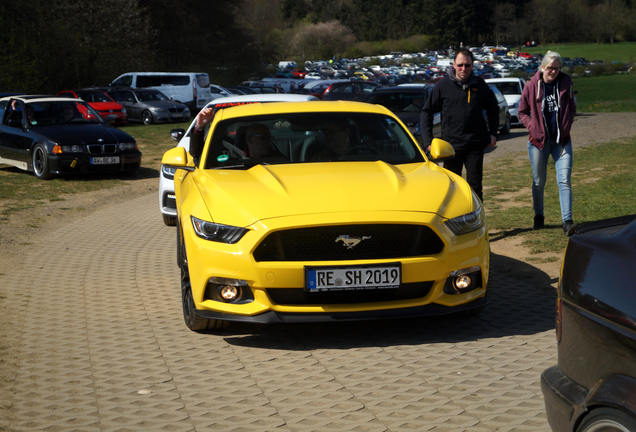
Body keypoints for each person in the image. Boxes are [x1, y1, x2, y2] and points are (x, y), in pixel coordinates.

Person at [421, 47, 499, 201]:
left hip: (474, 144)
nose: (464, 68)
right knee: (452, 189)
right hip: (450, 146)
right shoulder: (442, 86)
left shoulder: (480, 85)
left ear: (472, 65)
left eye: (467, 65)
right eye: (460, 65)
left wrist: (493, 133)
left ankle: (476, 223)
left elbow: (493, 108)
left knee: (475, 188)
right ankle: (454, 224)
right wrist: (428, 141)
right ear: (454, 65)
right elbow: (426, 111)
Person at [518, 50, 576, 235]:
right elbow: (522, 112)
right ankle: (539, 215)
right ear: (542, 67)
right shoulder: (531, 86)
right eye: (550, 68)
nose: (553, 72)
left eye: (556, 69)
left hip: (562, 141)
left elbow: (572, 106)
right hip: (538, 142)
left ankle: (567, 221)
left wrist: (567, 123)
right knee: (538, 182)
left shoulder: (566, 83)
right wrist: (533, 127)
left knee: (564, 180)